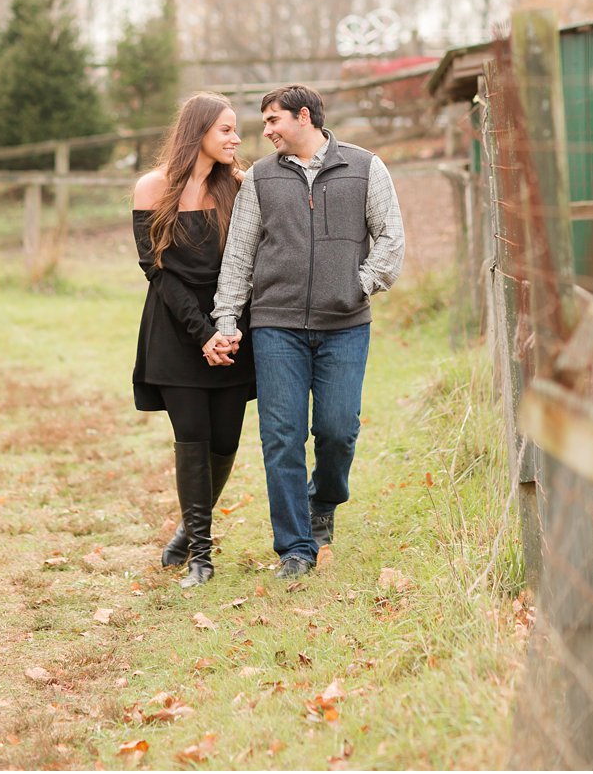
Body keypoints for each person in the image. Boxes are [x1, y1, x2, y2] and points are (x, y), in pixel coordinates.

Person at [206, 83, 404, 580]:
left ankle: (325, 499)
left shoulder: (364, 167)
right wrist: (227, 318)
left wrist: (355, 286)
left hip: (345, 326)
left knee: (338, 431)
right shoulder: (260, 180)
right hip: (276, 326)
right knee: (281, 436)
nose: (266, 131)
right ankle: (295, 547)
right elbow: (240, 255)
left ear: (302, 116)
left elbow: (390, 240)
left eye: (273, 120)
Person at [131, 92, 255, 589]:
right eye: (226, 129)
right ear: (198, 130)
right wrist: (201, 334)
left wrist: (224, 330)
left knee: (225, 441)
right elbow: (156, 270)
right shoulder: (152, 188)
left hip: (232, 330)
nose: (236, 138)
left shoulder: (241, 189)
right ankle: (201, 555)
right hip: (175, 331)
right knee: (192, 439)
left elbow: (246, 263)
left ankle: (188, 526)